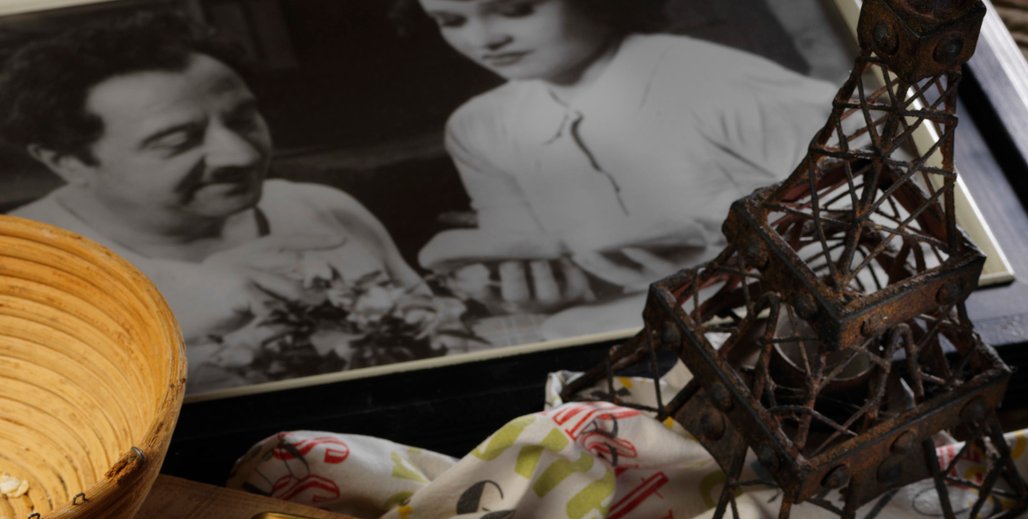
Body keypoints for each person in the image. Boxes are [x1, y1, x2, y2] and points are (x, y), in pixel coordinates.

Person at [0, 12, 426, 389]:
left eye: (243, 119)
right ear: (66, 161)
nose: (240, 155)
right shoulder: (21, 268)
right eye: (177, 141)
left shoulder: (325, 210)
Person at [415, 0, 839, 332]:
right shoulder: (480, 127)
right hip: (621, 332)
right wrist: (544, 290)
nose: (484, 39)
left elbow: (874, 195)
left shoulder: (715, 80)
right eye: (451, 21)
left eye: (516, 10)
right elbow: (526, 257)